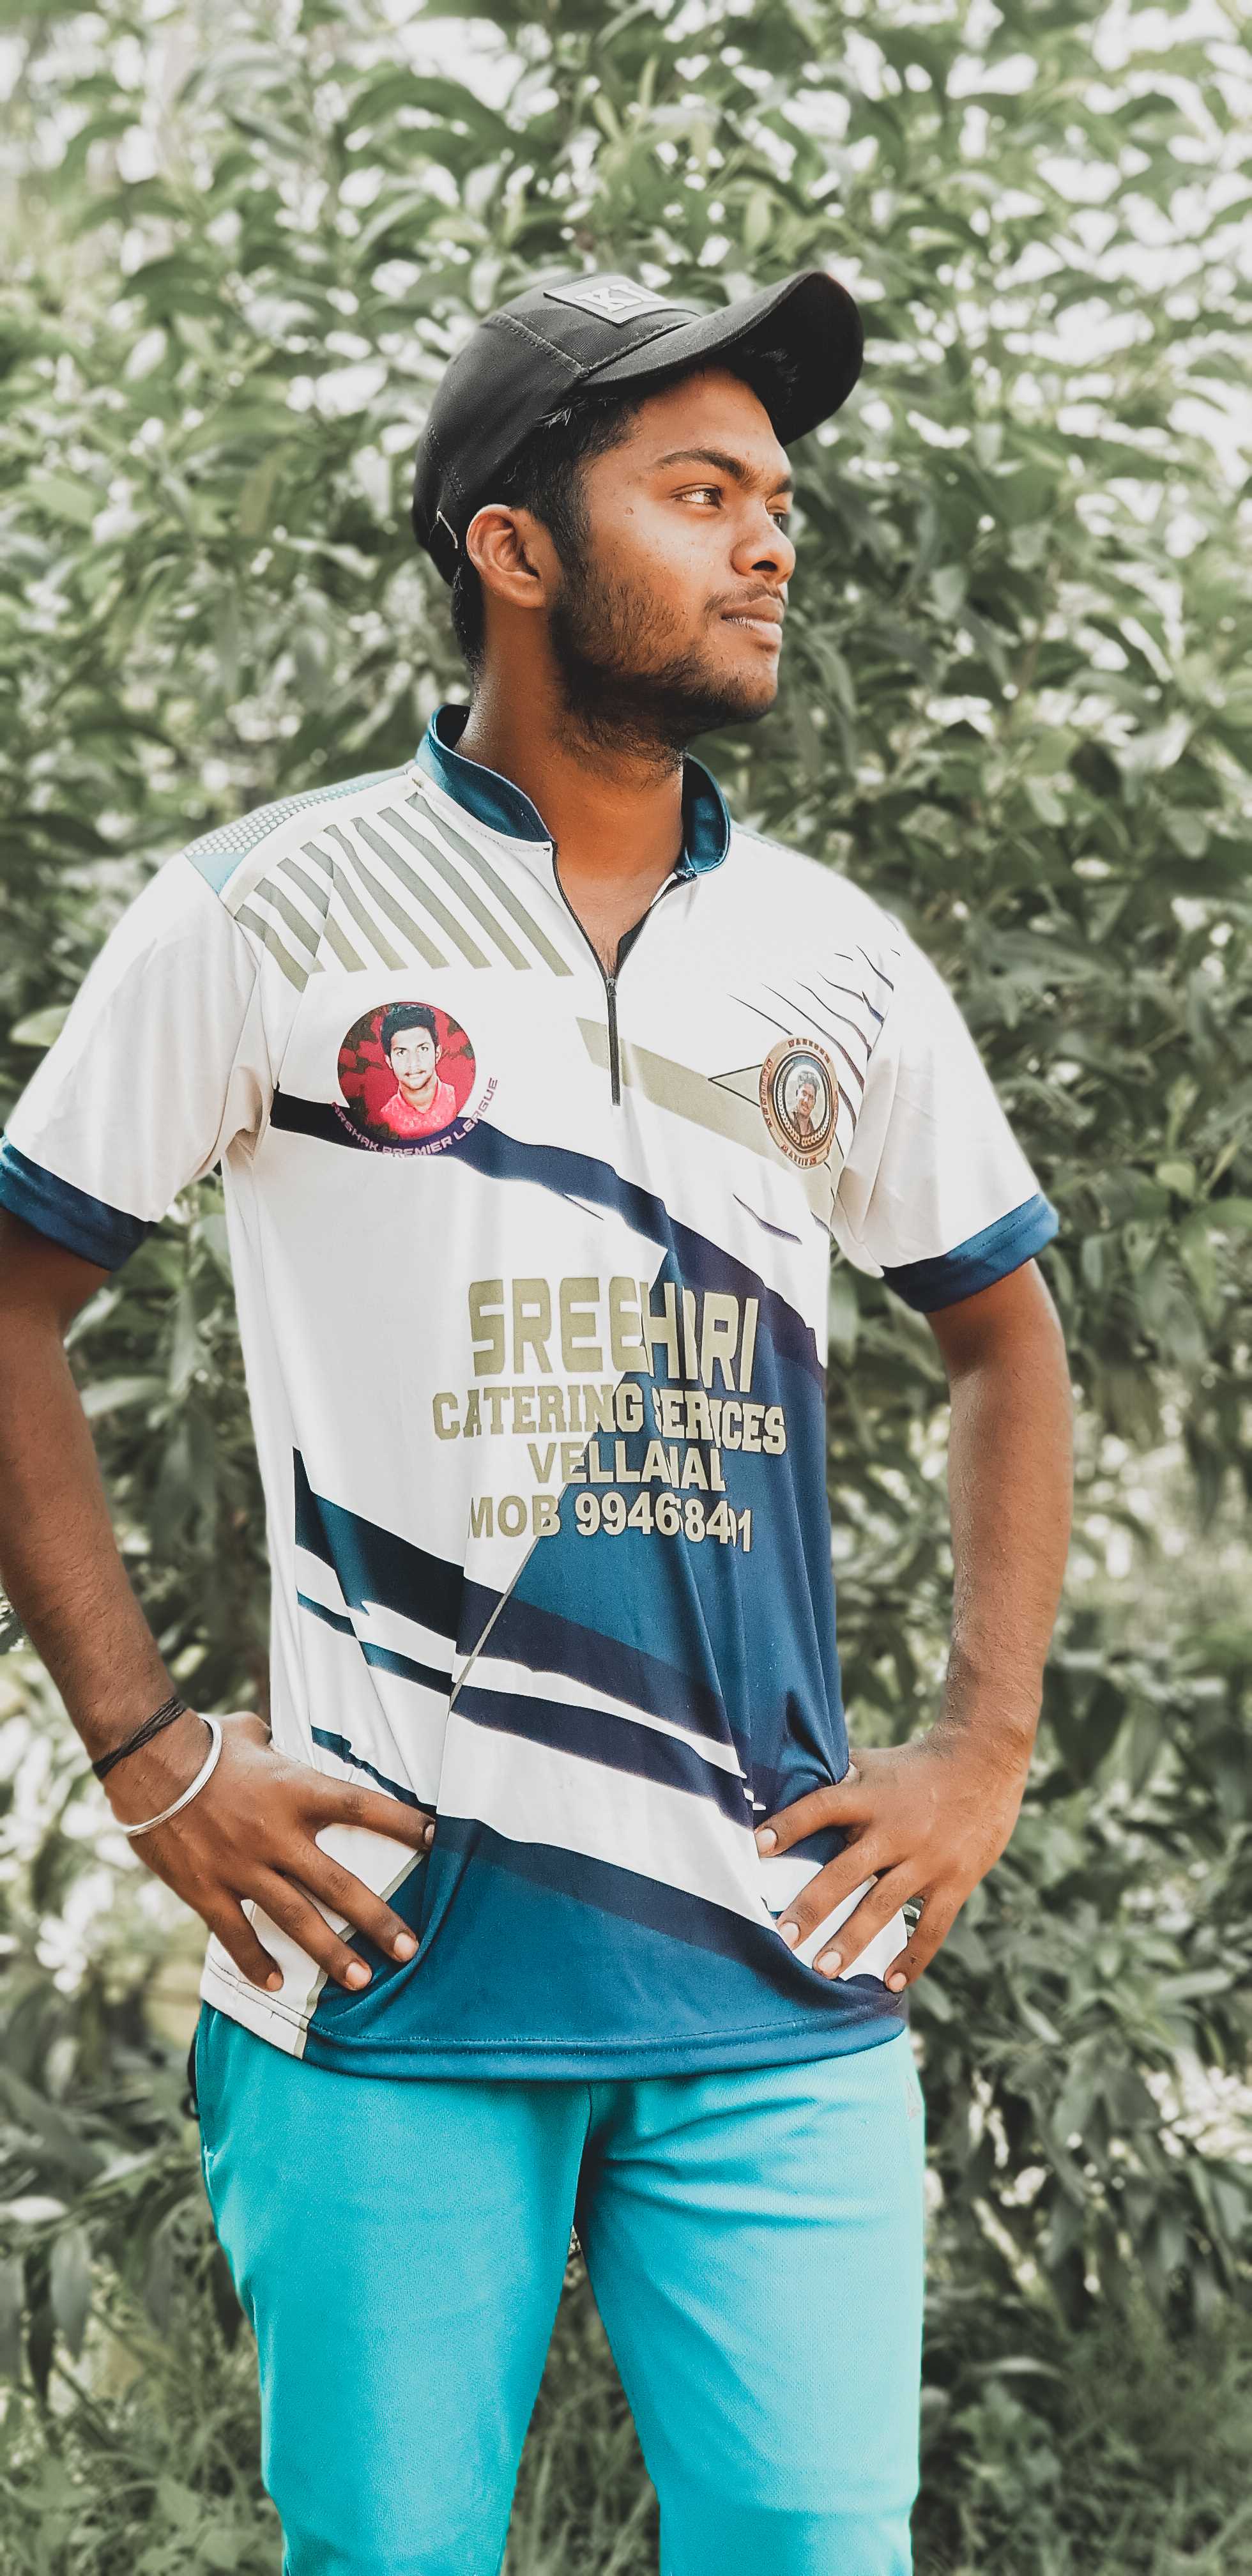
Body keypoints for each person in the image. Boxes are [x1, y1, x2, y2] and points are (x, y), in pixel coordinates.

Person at [0, 266, 1074, 2576]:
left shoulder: (835, 959)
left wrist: (982, 1746)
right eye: (698, 493)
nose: (769, 539)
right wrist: (147, 1750)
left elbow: (1004, 1334)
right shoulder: (266, 912)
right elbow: (14, 1298)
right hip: (379, 1977)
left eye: (775, 497)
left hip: (777, 1966)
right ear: (511, 544)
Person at [374, 1000, 458, 1138]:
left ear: (437, 1054)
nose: (413, 1063)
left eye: (423, 1049)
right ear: (389, 1061)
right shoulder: (385, 1117)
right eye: (401, 1052)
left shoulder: (457, 1099)